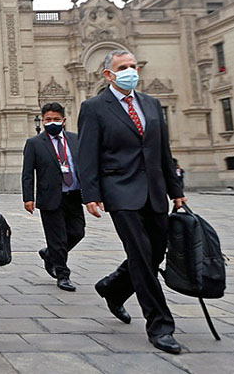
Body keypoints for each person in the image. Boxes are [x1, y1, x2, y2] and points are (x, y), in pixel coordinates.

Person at [78, 49, 187, 354]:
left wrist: (175, 188)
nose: (130, 71)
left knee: (154, 254)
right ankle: (161, 325)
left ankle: (113, 287)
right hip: (120, 190)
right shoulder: (95, 107)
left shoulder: (151, 104)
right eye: (122, 67)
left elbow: (163, 149)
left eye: (133, 66)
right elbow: (87, 154)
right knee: (140, 255)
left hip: (154, 190)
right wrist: (91, 194)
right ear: (109, 75)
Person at [21, 102, 85, 292]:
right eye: (48, 119)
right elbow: (27, 173)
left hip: (73, 195)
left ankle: (50, 254)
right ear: (43, 120)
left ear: (64, 121)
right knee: (56, 237)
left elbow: (85, 168)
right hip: (50, 197)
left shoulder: (75, 140)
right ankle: (62, 274)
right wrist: (28, 198)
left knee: (77, 232)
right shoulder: (34, 143)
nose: (52, 122)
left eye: (56, 119)